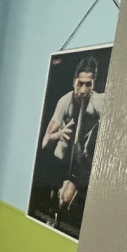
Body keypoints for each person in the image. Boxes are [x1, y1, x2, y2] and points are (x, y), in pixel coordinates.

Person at [41, 55, 103, 224]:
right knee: (53, 203)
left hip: (79, 165)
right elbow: (45, 143)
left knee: (65, 201)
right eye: (80, 84)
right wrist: (57, 135)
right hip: (59, 161)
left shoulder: (98, 103)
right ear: (74, 82)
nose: (83, 90)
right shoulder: (65, 102)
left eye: (88, 84)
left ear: (93, 84)